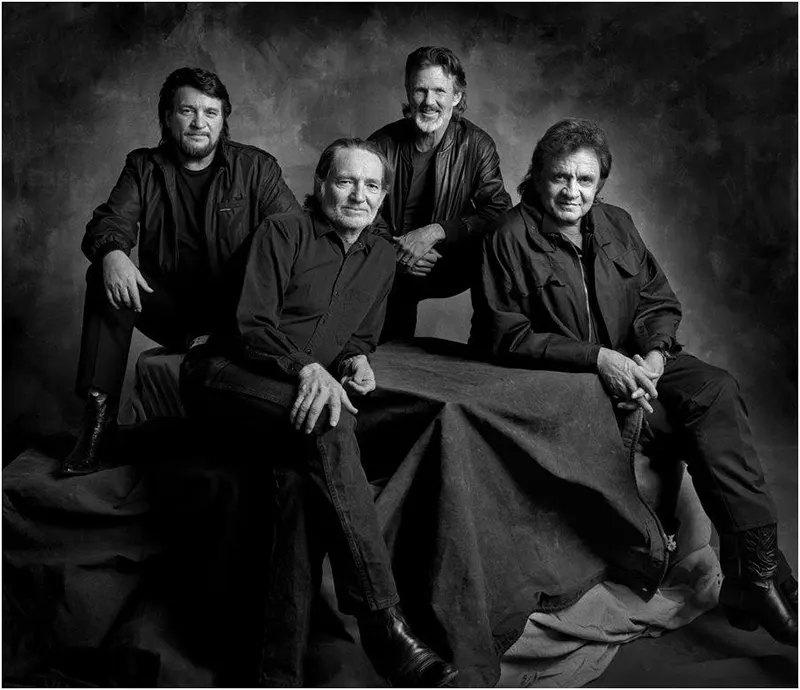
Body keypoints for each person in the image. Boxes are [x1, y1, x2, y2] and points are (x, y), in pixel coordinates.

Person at [471, 118, 798, 646]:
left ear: (600, 183)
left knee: (713, 389)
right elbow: (503, 335)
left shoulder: (617, 223)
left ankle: (758, 574)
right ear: (536, 176)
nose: (572, 191)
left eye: (585, 179)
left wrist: (654, 354)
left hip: (640, 362)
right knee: (684, 426)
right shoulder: (506, 237)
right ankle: (764, 579)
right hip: (571, 377)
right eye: (559, 177)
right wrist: (598, 359)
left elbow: (658, 300)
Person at [180, 138, 458, 687]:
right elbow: (251, 326)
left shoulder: (382, 256)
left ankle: (276, 674)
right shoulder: (282, 231)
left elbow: (361, 336)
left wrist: (356, 362)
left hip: (292, 396)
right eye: (346, 181)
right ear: (321, 185)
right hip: (225, 376)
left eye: (372, 185)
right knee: (332, 421)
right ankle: (383, 622)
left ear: (384, 195)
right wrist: (308, 368)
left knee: (298, 489)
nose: (359, 195)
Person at [62, 67, 300, 476]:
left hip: (237, 316)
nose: (198, 123)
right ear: (167, 117)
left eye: (210, 113)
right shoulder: (143, 167)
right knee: (103, 275)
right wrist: (112, 253)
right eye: (187, 111)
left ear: (223, 120)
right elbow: (111, 221)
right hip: (171, 311)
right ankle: (98, 421)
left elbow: (295, 237)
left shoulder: (256, 168)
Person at [369, 46, 511, 342]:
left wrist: (437, 231)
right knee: (388, 342)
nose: (428, 102)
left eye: (439, 91)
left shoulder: (477, 145)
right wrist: (396, 251)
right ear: (408, 92)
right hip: (393, 259)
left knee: (500, 248)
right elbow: (365, 211)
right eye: (420, 90)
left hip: (450, 260)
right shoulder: (381, 144)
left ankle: (488, 350)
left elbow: (498, 211)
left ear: (456, 96)